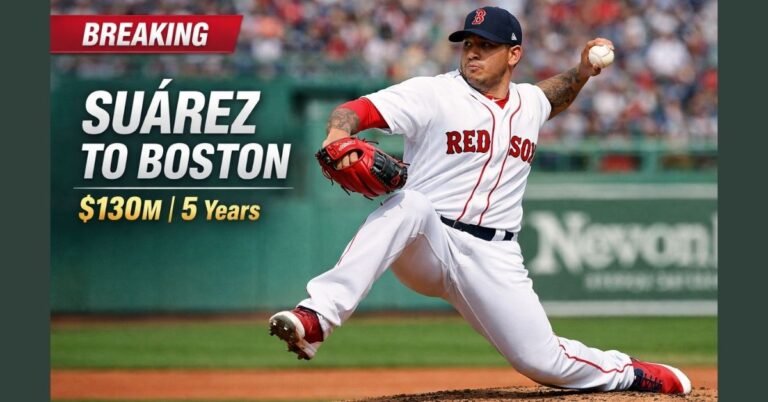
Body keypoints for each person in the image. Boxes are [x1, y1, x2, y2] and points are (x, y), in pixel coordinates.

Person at [269, 6, 691, 395]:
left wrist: (581, 73)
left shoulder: (528, 103)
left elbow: (554, 95)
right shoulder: (432, 93)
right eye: (468, 44)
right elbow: (356, 110)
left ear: (513, 54)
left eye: (486, 46)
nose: (473, 53)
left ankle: (630, 372)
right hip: (429, 241)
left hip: (494, 255)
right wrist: (338, 134)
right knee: (411, 204)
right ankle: (317, 316)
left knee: (544, 362)